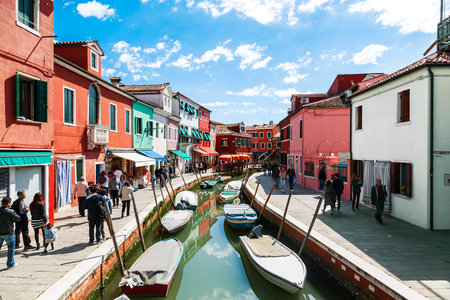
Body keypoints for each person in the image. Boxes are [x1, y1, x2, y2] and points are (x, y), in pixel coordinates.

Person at [0, 197, 21, 268]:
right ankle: (10, 264)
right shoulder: (11, 211)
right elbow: (18, 218)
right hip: (9, 232)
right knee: (11, 248)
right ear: (8, 203)